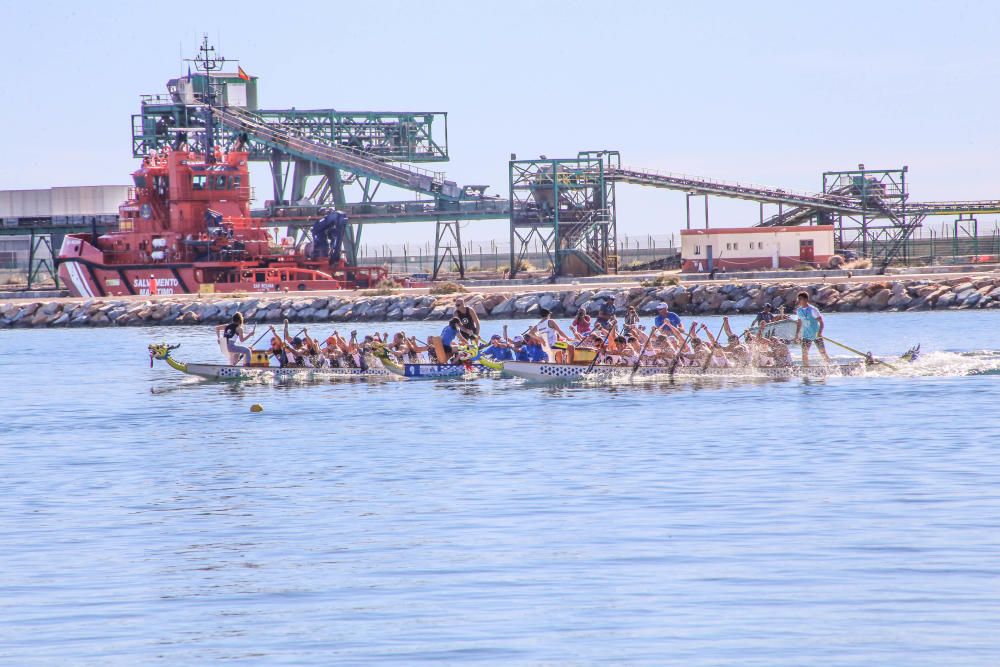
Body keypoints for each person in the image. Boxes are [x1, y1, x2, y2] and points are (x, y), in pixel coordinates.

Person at [794, 291, 831, 366]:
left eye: (800, 299)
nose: (799, 301)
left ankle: (829, 366)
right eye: (798, 299)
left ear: (806, 300)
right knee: (804, 353)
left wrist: (820, 332)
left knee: (822, 352)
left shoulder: (813, 310)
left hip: (816, 334)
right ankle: (806, 368)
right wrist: (797, 334)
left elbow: (821, 322)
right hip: (806, 335)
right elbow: (799, 322)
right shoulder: (799, 310)